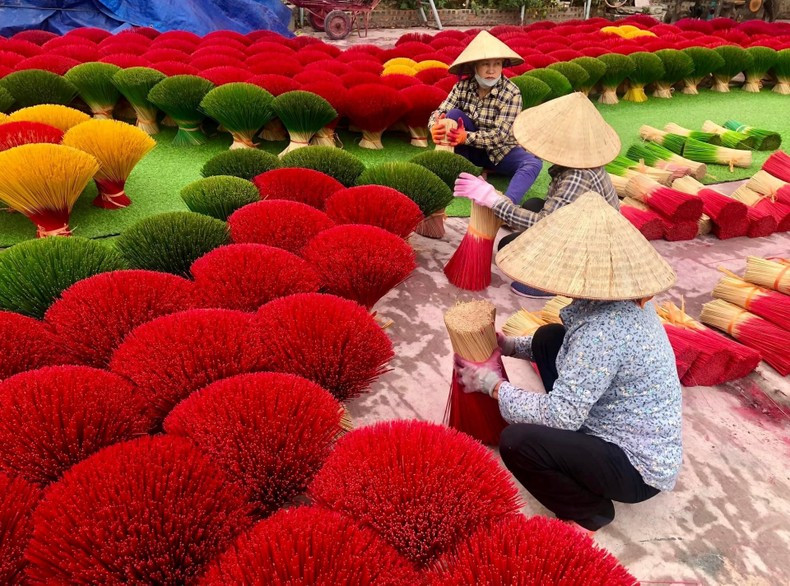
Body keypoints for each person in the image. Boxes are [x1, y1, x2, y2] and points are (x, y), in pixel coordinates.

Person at [455, 192, 682, 534]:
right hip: (611, 418)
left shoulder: (604, 332)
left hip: (634, 467)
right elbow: (575, 349)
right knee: (549, 337)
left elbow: (560, 416)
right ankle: (578, 456)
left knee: (519, 443)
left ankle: (590, 510)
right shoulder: (620, 296)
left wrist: (493, 387)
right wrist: (509, 346)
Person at [453, 92, 621, 298]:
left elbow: (546, 223)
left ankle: (560, 281)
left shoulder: (577, 175)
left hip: (589, 251)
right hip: (577, 226)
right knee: (528, 212)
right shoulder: (576, 162)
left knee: (517, 263)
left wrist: (494, 201)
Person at [428, 31, 542, 206]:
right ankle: (466, 171)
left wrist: (466, 137)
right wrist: (435, 126)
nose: (491, 70)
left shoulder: (512, 93)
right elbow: (440, 111)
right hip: (468, 152)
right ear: (475, 66)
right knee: (452, 116)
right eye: (485, 64)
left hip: (499, 152)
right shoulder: (462, 86)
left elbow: (501, 136)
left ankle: (506, 205)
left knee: (533, 163)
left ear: (503, 66)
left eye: (497, 64)